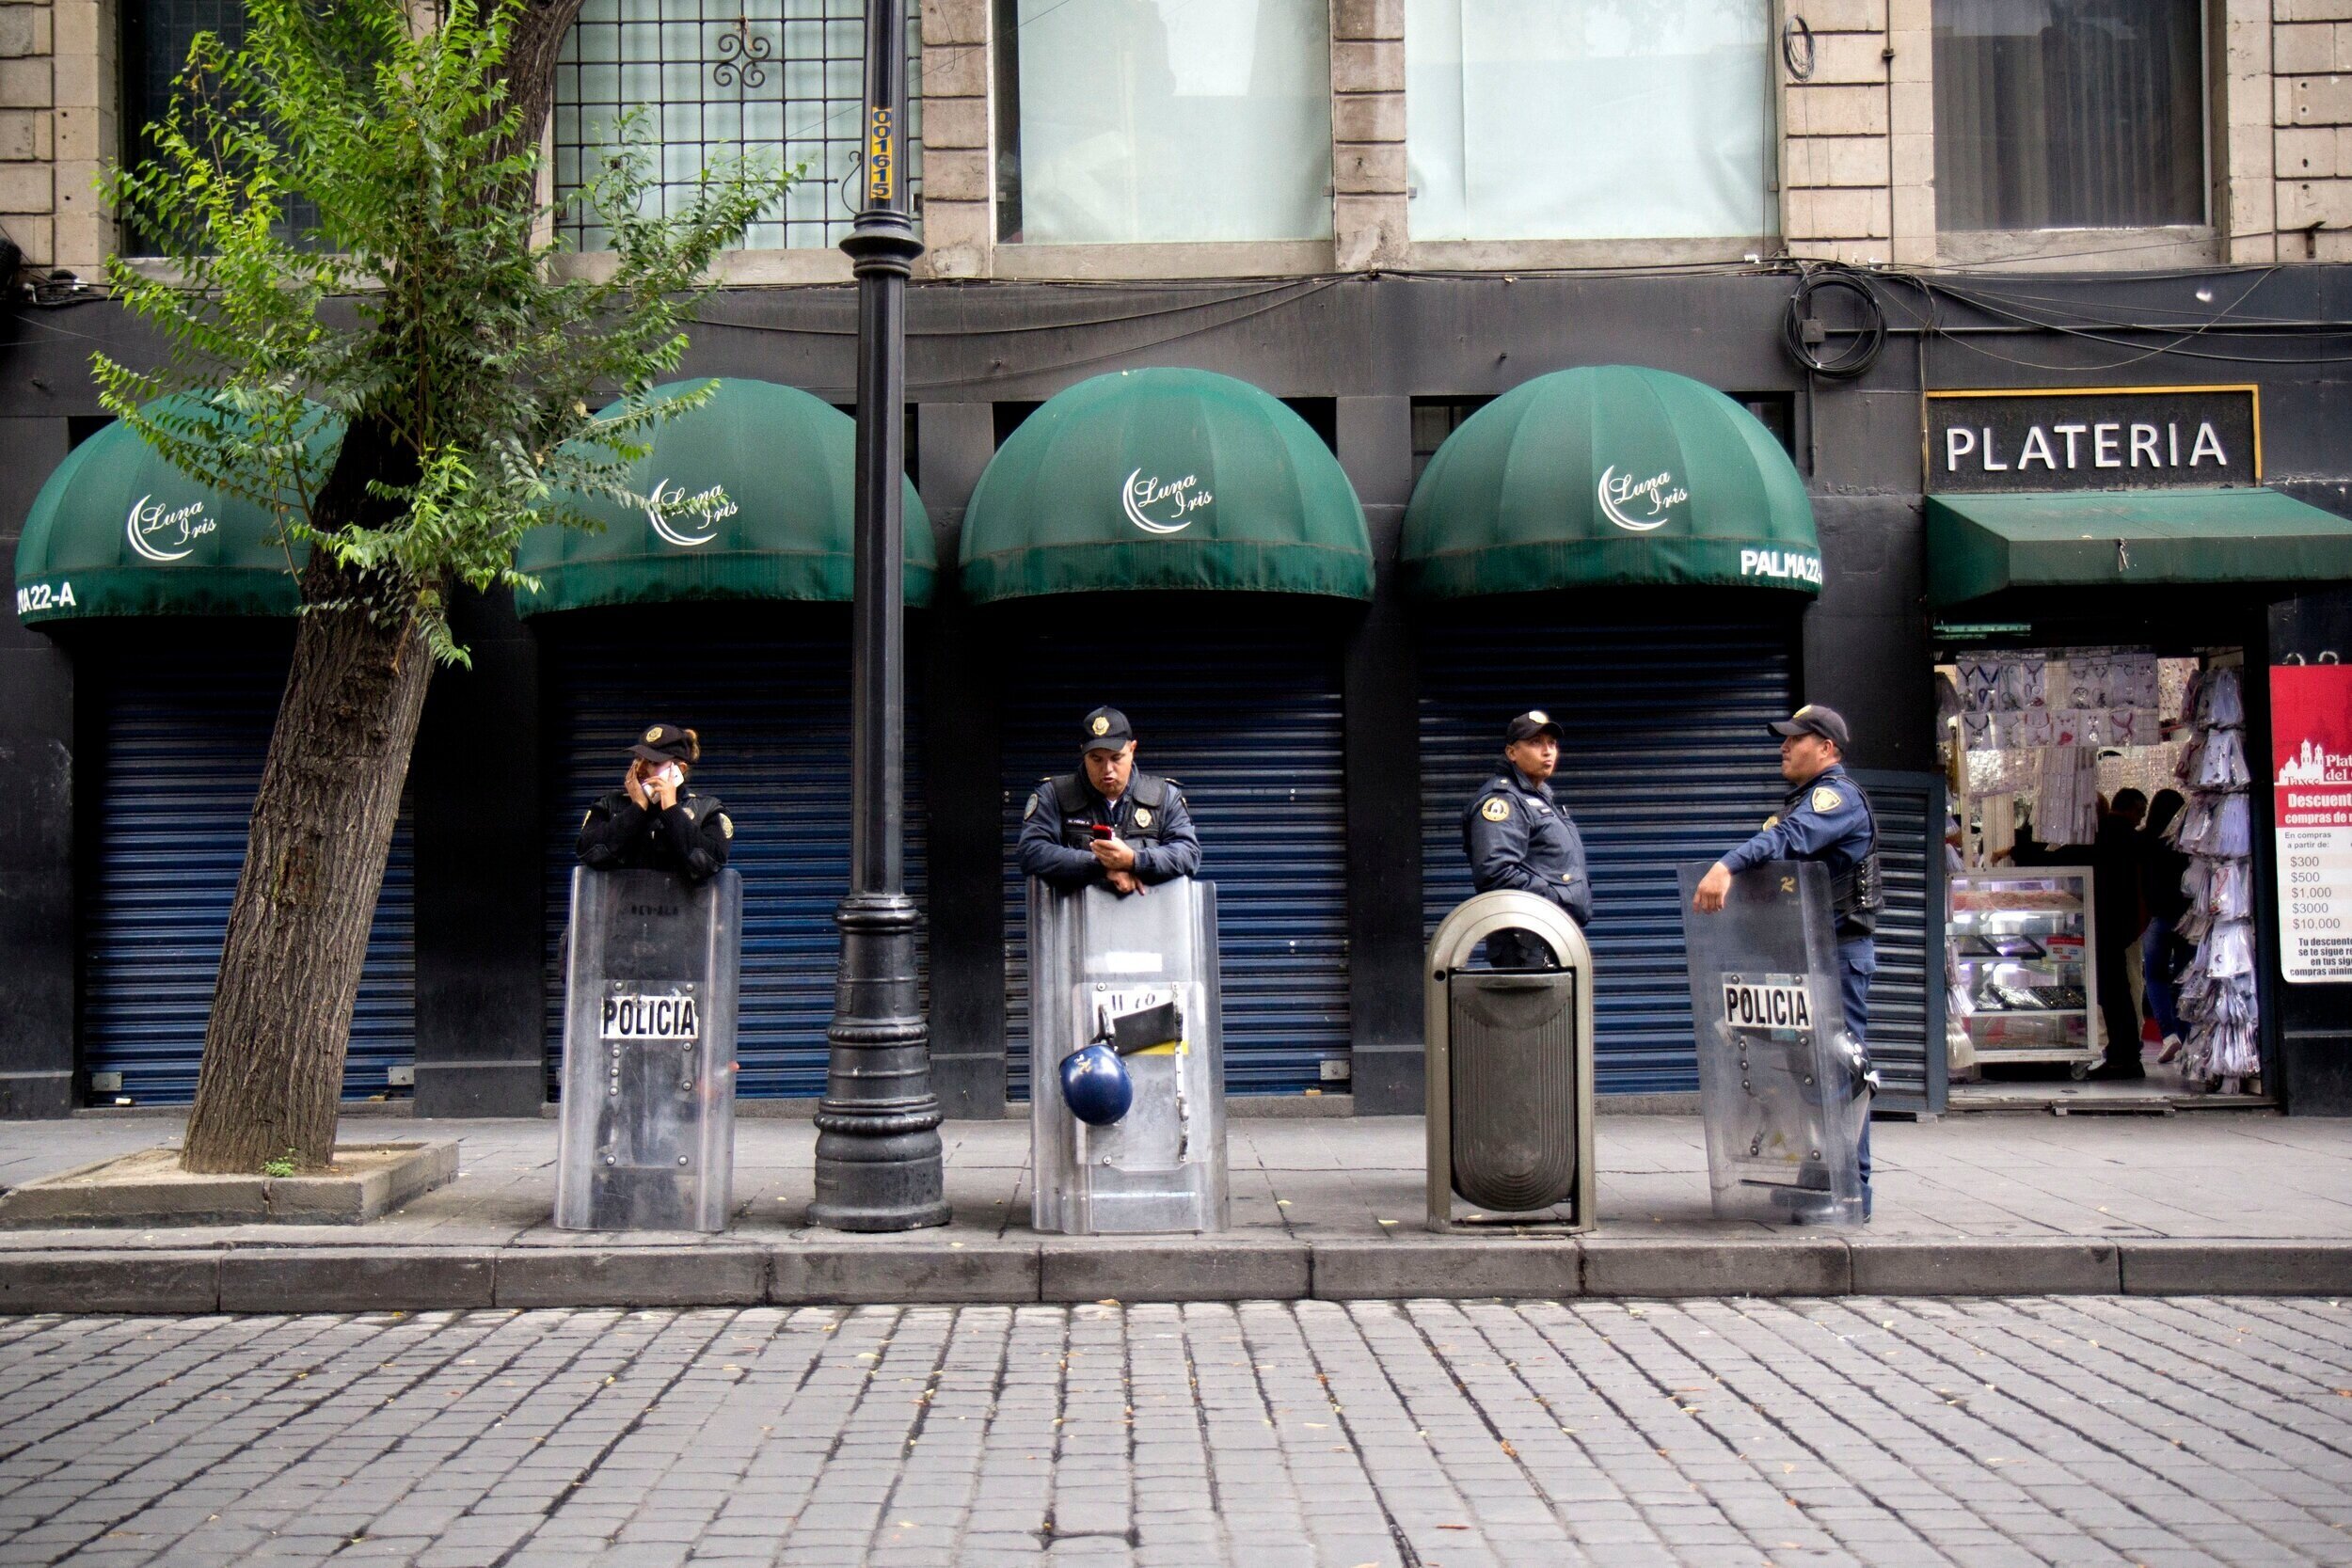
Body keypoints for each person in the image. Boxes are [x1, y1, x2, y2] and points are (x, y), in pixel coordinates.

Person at [1691, 703, 1880, 1214]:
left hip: (1837, 953)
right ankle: (1822, 1175)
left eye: (1797, 739)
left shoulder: (1834, 798)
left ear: (1828, 749)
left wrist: (1726, 866)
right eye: (1785, 738)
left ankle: (1851, 1190)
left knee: (1841, 1067)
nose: (1784, 746)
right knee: (1810, 1067)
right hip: (1809, 954)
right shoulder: (1804, 800)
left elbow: (1788, 841)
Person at [1018, 705, 1200, 895]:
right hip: (1077, 921)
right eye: (1096, 759)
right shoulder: (1053, 795)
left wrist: (1133, 860)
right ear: (1083, 752)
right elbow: (1032, 851)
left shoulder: (1164, 796)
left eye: (1116, 757)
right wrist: (1103, 865)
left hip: (1152, 919)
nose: (1107, 769)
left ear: (1132, 749)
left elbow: (1189, 853)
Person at [1462, 710, 1593, 969]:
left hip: (1550, 935)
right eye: (1535, 743)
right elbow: (1495, 872)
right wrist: (1557, 897)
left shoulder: (1537, 798)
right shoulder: (1502, 802)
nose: (1548, 751)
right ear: (1511, 752)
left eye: (1552, 743)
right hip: (1525, 945)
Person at [576, 722, 732, 882]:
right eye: (638, 758)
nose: (640, 768)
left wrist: (671, 810)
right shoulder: (609, 805)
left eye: (653, 762)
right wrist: (636, 809)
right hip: (622, 906)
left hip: (682, 908)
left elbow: (708, 863)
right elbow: (589, 852)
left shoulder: (708, 810)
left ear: (680, 770)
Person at [2089, 788, 2148, 1081]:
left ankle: (2122, 1058)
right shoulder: (2124, 837)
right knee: (2120, 992)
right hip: (2118, 926)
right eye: (2141, 812)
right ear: (2131, 809)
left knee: (2114, 994)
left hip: (2106, 925)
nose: (2142, 819)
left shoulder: (2104, 835)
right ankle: (2125, 1056)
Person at [2139, 789, 2190, 1064]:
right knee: (2183, 978)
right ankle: (2184, 1035)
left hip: (2156, 917)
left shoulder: (2146, 841)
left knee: (2155, 978)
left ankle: (2169, 1034)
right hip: (2186, 916)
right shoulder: (2186, 841)